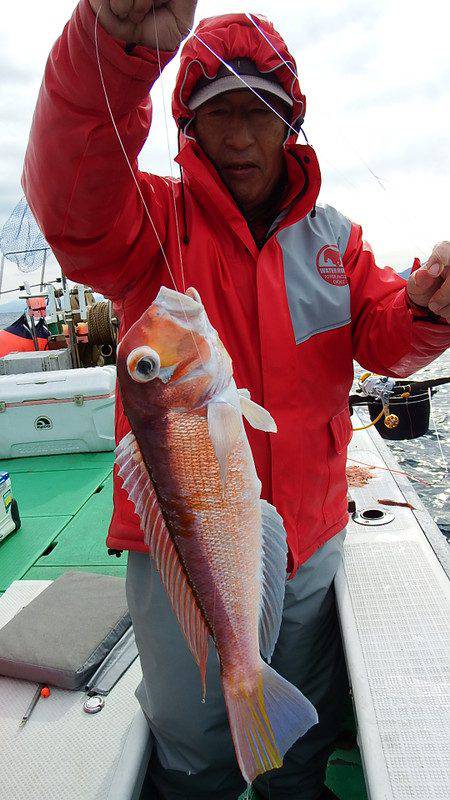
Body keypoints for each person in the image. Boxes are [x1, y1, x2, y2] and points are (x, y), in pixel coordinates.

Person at [22, 2, 450, 798]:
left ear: (291, 123)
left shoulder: (336, 242)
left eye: (260, 114)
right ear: (188, 125)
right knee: (197, 745)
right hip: (184, 552)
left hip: (311, 539)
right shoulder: (149, 221)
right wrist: (112, 48)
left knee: (302, 735)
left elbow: (386, 336)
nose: (242, 138)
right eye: (220, 115)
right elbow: (68, 197)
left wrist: (431, 310)